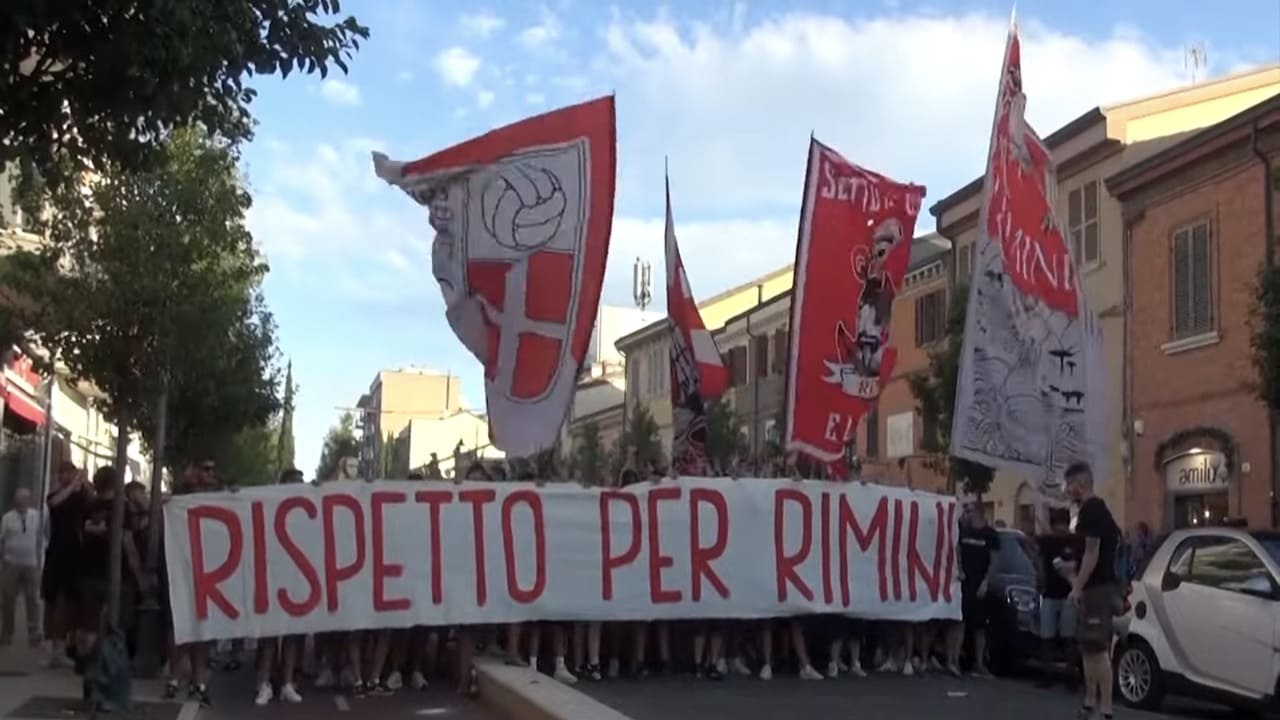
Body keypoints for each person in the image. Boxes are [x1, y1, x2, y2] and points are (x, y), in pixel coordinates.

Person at [1066, 462, 1120, 720]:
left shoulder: (1091, 510)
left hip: (1097, 588)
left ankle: (1106, 708)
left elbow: (1092, 552)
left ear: (1080, 484)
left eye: (1069, 485)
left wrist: (1077, 586)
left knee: (1098, 649)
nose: (1067, 490)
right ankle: (1089, 701)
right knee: (1088, 647)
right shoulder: (1100, 511)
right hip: (1096, 585)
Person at [254, 468, 306, 705]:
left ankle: (286, 683)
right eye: (293, 482)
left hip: (298, 578)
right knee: (269, 636)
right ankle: (264, 684)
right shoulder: (269, 504)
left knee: (293, 635)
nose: (298, 486)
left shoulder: (307, 510)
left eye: (300, 483)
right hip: (272, 577)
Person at [41, 461, 91, 667]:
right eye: (61, 473)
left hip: (74, 557)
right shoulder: (55, 496)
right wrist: (71, 486)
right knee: (51, 603)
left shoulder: (81, 497)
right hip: (56, 556)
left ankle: (63, 647)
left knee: (67, 605)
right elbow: (54, 503)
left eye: (67, 473)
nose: (64, 477)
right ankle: (51, 647)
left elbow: (92, 501)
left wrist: (83, 483)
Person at [950, 502, 998, 678]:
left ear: (978, 512)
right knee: (959, 623)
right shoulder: (963, 532)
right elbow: (957, 551)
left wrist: (986, 581)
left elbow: (994, 560)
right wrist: (960, 570)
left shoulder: (990, 534)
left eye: (969, 511)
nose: (966, 514)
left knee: (980, 627)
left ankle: (979, 663)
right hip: (964, 583)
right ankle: (954, 661)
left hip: (980, 585)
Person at [1036, 507, 1078, 684]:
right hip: (1060, 594)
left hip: (1058, 594)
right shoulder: (1055, 541)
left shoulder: (1065, 541)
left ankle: (1051, 675)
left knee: (1052, 637)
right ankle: (1067, 676)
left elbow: (1039, 564)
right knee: (1064, 638)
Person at [0, 488, 41, 646]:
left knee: (33, 599)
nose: (21, 502)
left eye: (24, 500)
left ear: (29, 501)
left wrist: (39, 557)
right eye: (19, 500)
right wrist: (3, 558)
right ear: (15, 501)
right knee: (8, 598)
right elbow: (2, 539)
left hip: (30, 563)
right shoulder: (7, 518)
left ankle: (34, 633)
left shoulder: (36, 516)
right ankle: (7, 632)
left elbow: (40, 537)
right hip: (11, 562)